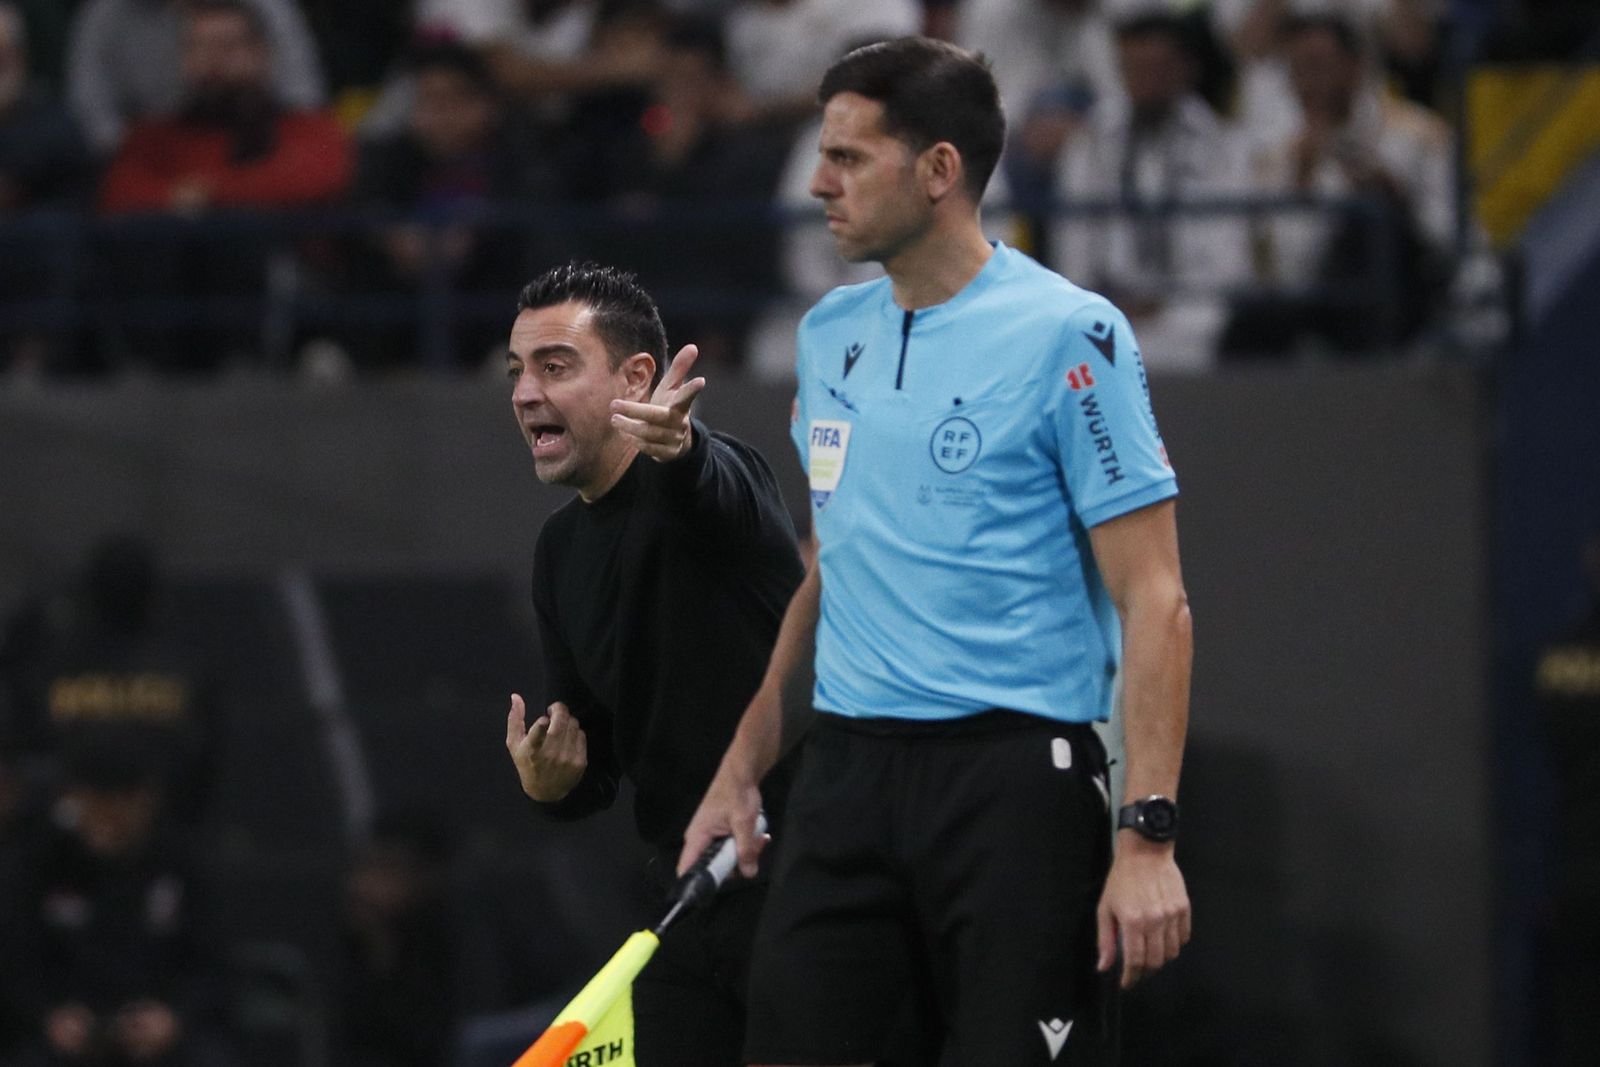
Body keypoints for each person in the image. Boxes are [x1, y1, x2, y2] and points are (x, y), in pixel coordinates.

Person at [681, 37, 1193, 1066]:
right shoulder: (829, 335)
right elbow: (832, 570)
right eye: (820, 155)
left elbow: (1156, 601)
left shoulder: (1071, 334)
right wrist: (740, 767)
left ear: (939, 170)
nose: (818, 184)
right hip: (844, 784)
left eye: (848, 158)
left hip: (1015, 789)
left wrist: (1145, 837)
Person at [501, 262, 805, 1066]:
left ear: (637, 377)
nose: (525, 392)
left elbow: (703, 481)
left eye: (555, 366)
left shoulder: (721, 478)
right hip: (688, 895)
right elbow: (593, 760)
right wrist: (552, 784)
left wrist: (681, 446)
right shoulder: (558, 551)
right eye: (517, 371)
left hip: (805, 882)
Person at [1052, 12, 1253, 371]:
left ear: (1187, 70)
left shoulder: (1222, 147)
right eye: (1134, 68)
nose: (1145, 82)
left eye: (1158, 68)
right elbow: (1072, 251)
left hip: (1192, 315)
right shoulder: (1089, 144)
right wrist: (1109, 302)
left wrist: (1168, 302)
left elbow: (1229, 260)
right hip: (1106, 309)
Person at [66, 0, 324, 155]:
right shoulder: (107, 13)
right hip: (158, 151)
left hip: (258, 142)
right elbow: (92, 109)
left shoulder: (266, 8)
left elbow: (303, 103)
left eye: (227, 45)